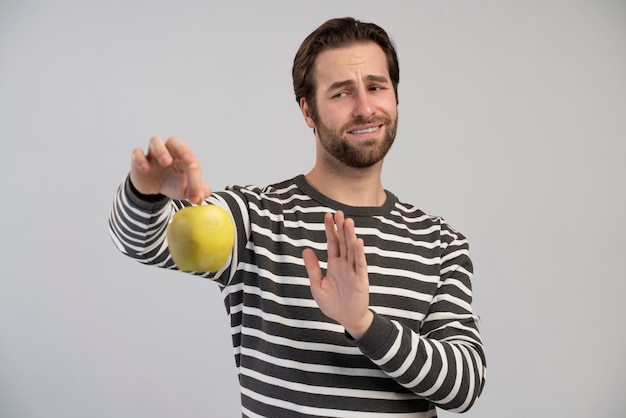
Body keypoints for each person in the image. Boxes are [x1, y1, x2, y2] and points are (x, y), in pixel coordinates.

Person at [109, 17, 486, 417]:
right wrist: (145, 191)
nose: (364, 108)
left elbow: (462, 388)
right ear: (308, 111)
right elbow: (143, 243)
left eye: (376, 87)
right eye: (341, 93)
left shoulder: (439, 241)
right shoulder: (255, 218)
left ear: (395, 96)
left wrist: (362, 322)